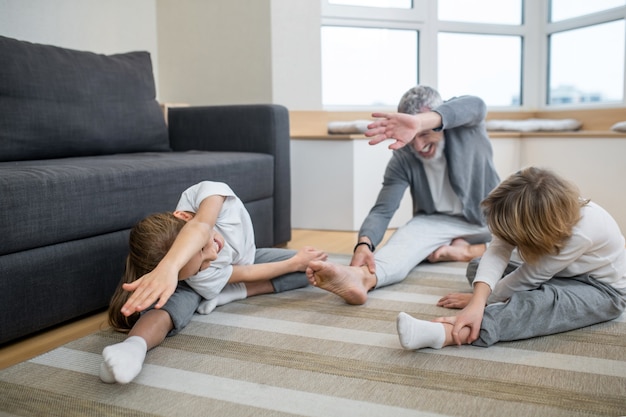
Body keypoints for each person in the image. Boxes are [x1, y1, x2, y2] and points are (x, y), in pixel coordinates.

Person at [100, 181, 326, 384]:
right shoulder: (200, 274)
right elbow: (244, 274)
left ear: (186, 218)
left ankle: (224, 295)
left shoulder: (203, 196)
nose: (213, 256)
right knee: (171, 308)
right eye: (201, 263)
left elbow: (202, 227)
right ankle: (132, 348)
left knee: (308, 269)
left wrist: (296, 263)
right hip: (208, 281)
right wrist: (293, 263)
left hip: (239, 265)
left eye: (202, 248)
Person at [306, 85, 500, 305]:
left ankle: (467, 251)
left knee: (526, 250)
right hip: (437, 222)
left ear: (438, 124)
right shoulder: (403, 156)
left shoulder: (467, 128)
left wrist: (418, 122)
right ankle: (362, 280)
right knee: (401, 245)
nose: (417, 145)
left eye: (424, 133)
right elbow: (383, 209)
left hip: (490, 216)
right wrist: (364, 244)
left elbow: (477, 105)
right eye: (412, 137)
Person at [396, 167, 626, 350]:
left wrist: (482, 302)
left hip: (601, 291)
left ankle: (448, 334)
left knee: (539, 305)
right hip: (556, 274)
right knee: (477, 268)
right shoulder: (539, 209)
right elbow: (498, 250)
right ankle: (494, 302)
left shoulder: (583, 229)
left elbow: (529, 277)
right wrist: (478, 299)